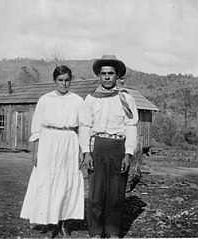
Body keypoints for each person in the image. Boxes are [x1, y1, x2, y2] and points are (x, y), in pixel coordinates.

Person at [20, 65, 84, 238]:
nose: (64, 84)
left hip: (69, 141)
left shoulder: (78, 100)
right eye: (60, 80)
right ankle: (51, 223)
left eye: (67, 80)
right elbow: (37, 128)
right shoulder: (45, 99)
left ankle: (63, 223)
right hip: (48, 142)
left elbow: (83, 129)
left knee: (65, 182)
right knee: (47, 182)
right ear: (54, 81)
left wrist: (81, 150)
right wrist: (35, 152)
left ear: (71, 80)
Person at [79, 55, 138, 238]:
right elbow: (85, 126)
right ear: (99, 75)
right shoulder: (90, 99)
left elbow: (131, 126)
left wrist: (128, 153)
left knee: (116, 193)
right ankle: (95, 231)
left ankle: (113, 231)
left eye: (110, 73)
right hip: (97, 146)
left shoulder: (125, 99)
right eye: (103, 73)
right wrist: (86, 153)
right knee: (96, 193)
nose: (106, 77)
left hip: (118, 147)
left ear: (117, 75)